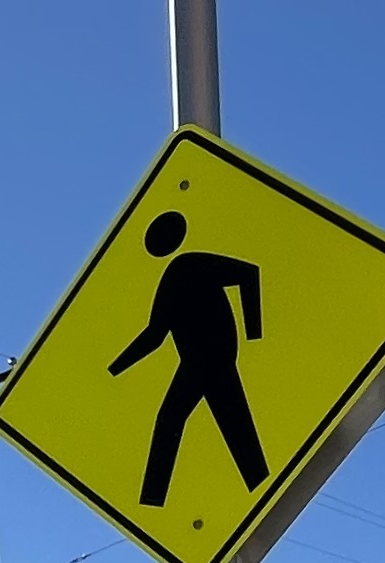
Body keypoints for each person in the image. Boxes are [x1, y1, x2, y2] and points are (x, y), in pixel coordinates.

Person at [109, 211, 268, 506]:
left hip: (210, 359)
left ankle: (153, 500)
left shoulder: (189, 265)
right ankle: (154, 500)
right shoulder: (174, 274)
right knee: (230, 426)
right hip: (199, 362)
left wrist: (254, 334)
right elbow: (155, 334)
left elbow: (249, 273)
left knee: (179, 419)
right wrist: (114, 369)